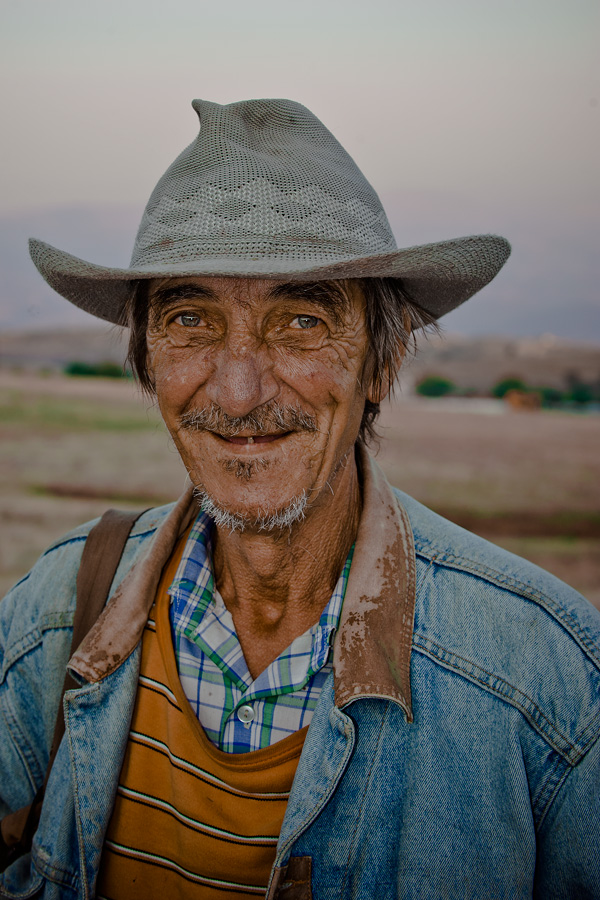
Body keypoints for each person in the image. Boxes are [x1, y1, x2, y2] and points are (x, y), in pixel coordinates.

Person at [1, 98, 598, 900]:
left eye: (303, 321)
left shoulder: (543, 681)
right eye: (190, 319)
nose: (238, 392)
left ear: (383, 363)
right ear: (148, 362)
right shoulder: (56, 610)